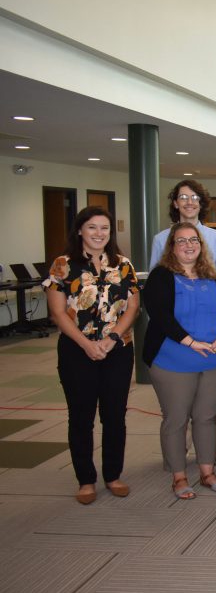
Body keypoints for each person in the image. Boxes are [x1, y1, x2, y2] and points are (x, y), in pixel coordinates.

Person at [44, 206, 140, 505]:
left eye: (104, 228)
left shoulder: (122, 264)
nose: (99, 234)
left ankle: (113, 475)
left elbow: (133, 306)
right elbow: (58, 313)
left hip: (118, 349)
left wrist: (111, 338)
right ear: (80, 231)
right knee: (81, 417)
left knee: (115, 415)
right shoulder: (63, 265)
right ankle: (86, 479)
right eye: (92, 228)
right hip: (76, 350)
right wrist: (86, 344)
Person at [143, 223, 216, 499]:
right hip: (174, 358)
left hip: (215, 358)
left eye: (193, 240)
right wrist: (191, 342)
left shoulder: (214, 275)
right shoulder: (161, 276)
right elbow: (160, 315)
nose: (188, 245)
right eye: (181, 240)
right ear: (171, 246)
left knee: (207, 418)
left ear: (201, 244)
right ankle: (179, 476)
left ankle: (207, 472)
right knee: (176, 419)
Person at [149, 180, 216, 280]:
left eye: (195, 197)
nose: (189, 202)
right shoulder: (160, 239)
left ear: (201, 204)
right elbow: (154, 280)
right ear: (176, 203)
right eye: (183, 197)